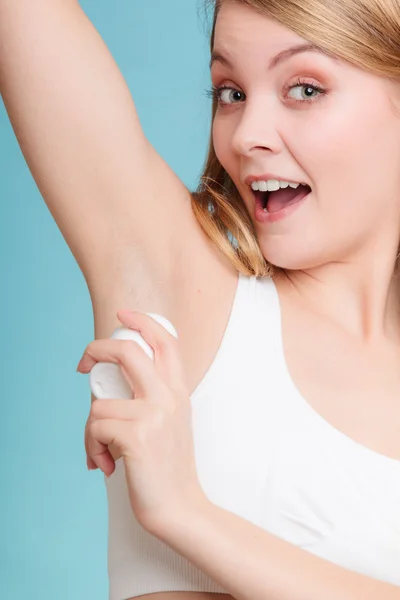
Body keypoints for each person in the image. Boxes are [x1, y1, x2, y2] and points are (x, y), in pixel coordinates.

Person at [1, 0, 399, 599]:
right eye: (230, 92)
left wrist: (186, 513)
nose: (247, 136)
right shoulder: (179, 279)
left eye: (305, 89)